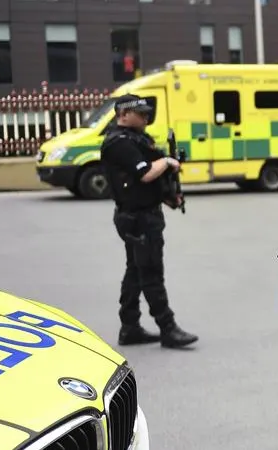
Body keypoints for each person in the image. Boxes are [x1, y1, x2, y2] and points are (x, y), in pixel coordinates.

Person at [100, 93, 199, 349]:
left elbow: (147, 183)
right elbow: (144, 174)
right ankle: (168, 327)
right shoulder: (118, 142)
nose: (146, 117)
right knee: (151, 272)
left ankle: (129, 327)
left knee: (135, 271)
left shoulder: (137, 139)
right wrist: (167, 162)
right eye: (140, 113)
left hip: (143, 214)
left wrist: (168, 197)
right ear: (123, 114)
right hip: (138, 218)